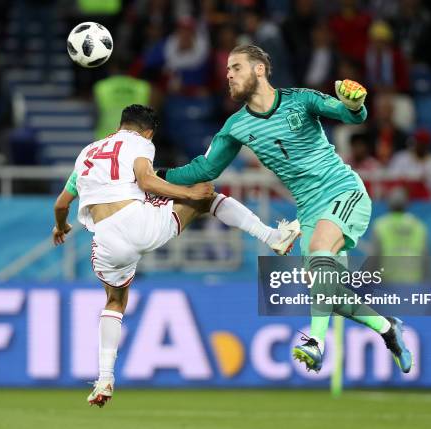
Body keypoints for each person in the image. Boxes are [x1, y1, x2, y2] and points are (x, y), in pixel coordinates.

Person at [159, 45, 412, 373]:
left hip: (342, 191)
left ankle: (315, 343)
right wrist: (157, 176)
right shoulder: (235, 126)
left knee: (321, 251)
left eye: (236, 68)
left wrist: (356, 104)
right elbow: (204, 170)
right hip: (309, 210)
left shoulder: (300, 99)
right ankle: (388, 329)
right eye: (227, 70)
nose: (229, 75)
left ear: (260, 69)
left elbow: (350, 115)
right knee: (329, 292)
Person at [51, 104, 301, 407]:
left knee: (115, 301)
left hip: (105, 239)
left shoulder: (87, 153)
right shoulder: (140, 143)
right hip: (139, 222)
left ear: (120, 124)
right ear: (149, 131)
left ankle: (105, 377)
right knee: (206, 194)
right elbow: (146, 180)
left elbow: (62, 204)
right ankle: (272, 236)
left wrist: (61, 227)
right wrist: (188, 195)